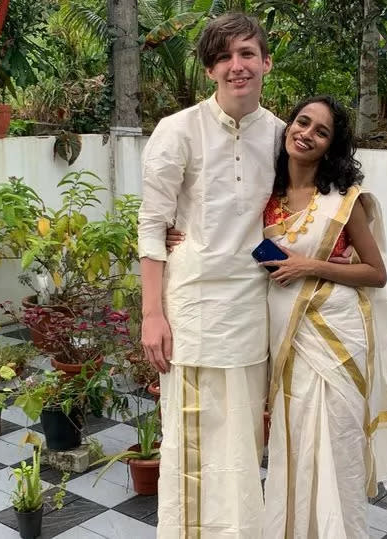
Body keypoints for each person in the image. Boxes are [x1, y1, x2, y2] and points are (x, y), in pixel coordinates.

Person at [137, 13, 285, 538]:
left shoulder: (281, 137)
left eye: (246, 54)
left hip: (253, 307)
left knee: (245, 439)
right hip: (193, 309)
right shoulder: (177, 131)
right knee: (190, 440)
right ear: (209, 71)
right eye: (224, 57)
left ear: (266, 62)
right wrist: (152, 315)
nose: (236, 66)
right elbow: (152, 227)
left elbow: (292, 216)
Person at [259, 96, 387, 538]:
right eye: (302, 122)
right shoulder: (264, 193)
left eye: (321, 131)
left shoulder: (343, 200)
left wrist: (311, 266)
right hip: (288, 337)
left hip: (336, 338)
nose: (307, 133)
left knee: (336, 448)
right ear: (288, 128)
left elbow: (376, 273)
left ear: (329, 146)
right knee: (295, 445)